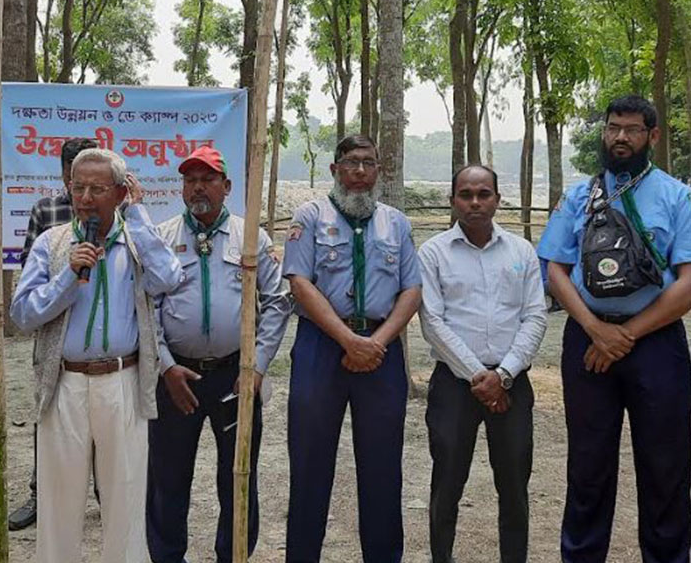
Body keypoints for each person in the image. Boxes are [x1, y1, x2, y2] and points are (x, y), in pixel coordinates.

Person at [538, 94, 691, 563]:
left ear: (653, 136)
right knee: (588, 465)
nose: (620, 137)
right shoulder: (580, 196)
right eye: (613, 128)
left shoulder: (678, 196)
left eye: (632, 129)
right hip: (587, 341)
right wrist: (595, 328)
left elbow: (688, 283)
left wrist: (626, 335)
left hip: (657, 345)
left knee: (666, 465)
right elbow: (555, 269)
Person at [11, 148, 182, 563]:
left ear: (121, 192)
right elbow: (22, 313)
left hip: (123, 383)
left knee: (124, 496)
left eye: (97, 189)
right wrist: (68, 277)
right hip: (65, 383)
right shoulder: (53, 244)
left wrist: (138, 221)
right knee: (59, 501)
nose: (85, 197)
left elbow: (168, 279)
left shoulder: (139, 240)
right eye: (78, 187)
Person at [281, 135, 422, 562]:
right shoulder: (308, 216)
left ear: (379, 170)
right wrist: (348, 340)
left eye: (368, 163)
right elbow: (299, 283)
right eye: (351, 163)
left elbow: (412, 288)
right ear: (334, 169)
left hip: (381, 351)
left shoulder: (395, 223)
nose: (360, 172)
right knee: (309, 465)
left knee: (382, 469)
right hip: (321, 348)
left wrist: (375, 343)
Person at [147, 146, 291, 563]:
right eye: (190, 180)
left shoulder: (252, 238)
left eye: (207, 179)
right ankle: (168, 556)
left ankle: (235, 555)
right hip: (176, 380)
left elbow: (279, 300)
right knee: (168, 478)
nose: (198, 187)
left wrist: (257, 368)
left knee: (238, 478)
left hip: (236, 377)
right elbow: (148, 305)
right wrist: (167, 366)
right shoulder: (163, 237)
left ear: (226, 187)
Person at [418, 165, 548, 563]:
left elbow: (535, 316)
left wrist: (504, 374)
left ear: (497, 199)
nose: (475, 202)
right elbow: (432, 321)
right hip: (455, 386)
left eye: (484, 194)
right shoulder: (434, 252)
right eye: (466, 194)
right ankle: (442, 557)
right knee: (447, 483)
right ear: (452, 200)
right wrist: (480, 376)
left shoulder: (522, 252)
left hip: (512, 385)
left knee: (513, 486)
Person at [10, 136, 98, 532]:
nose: (85, 190)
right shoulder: (46, 211)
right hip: (53, 330)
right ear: (65, 174)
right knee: (47, 410)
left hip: (98, 331)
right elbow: (31, 271)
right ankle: (39, 492)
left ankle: (102, 495)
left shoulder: (116, 211)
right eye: (77, 176)